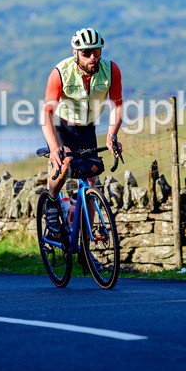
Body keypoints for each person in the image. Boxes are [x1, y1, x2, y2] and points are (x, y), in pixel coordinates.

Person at [41, 27, 123, 237]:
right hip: (63, 125)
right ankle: (51, 205)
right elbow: (47, 113)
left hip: (88, 126)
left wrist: (112, 134)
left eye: (96, 52)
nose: (92, 58)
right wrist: (53, 148)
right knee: (64, 164)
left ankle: (86, 246)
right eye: (86, 53)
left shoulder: (111, 70)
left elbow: (117, 106)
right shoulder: (60, 72)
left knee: (92, 176)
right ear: (75, 53)